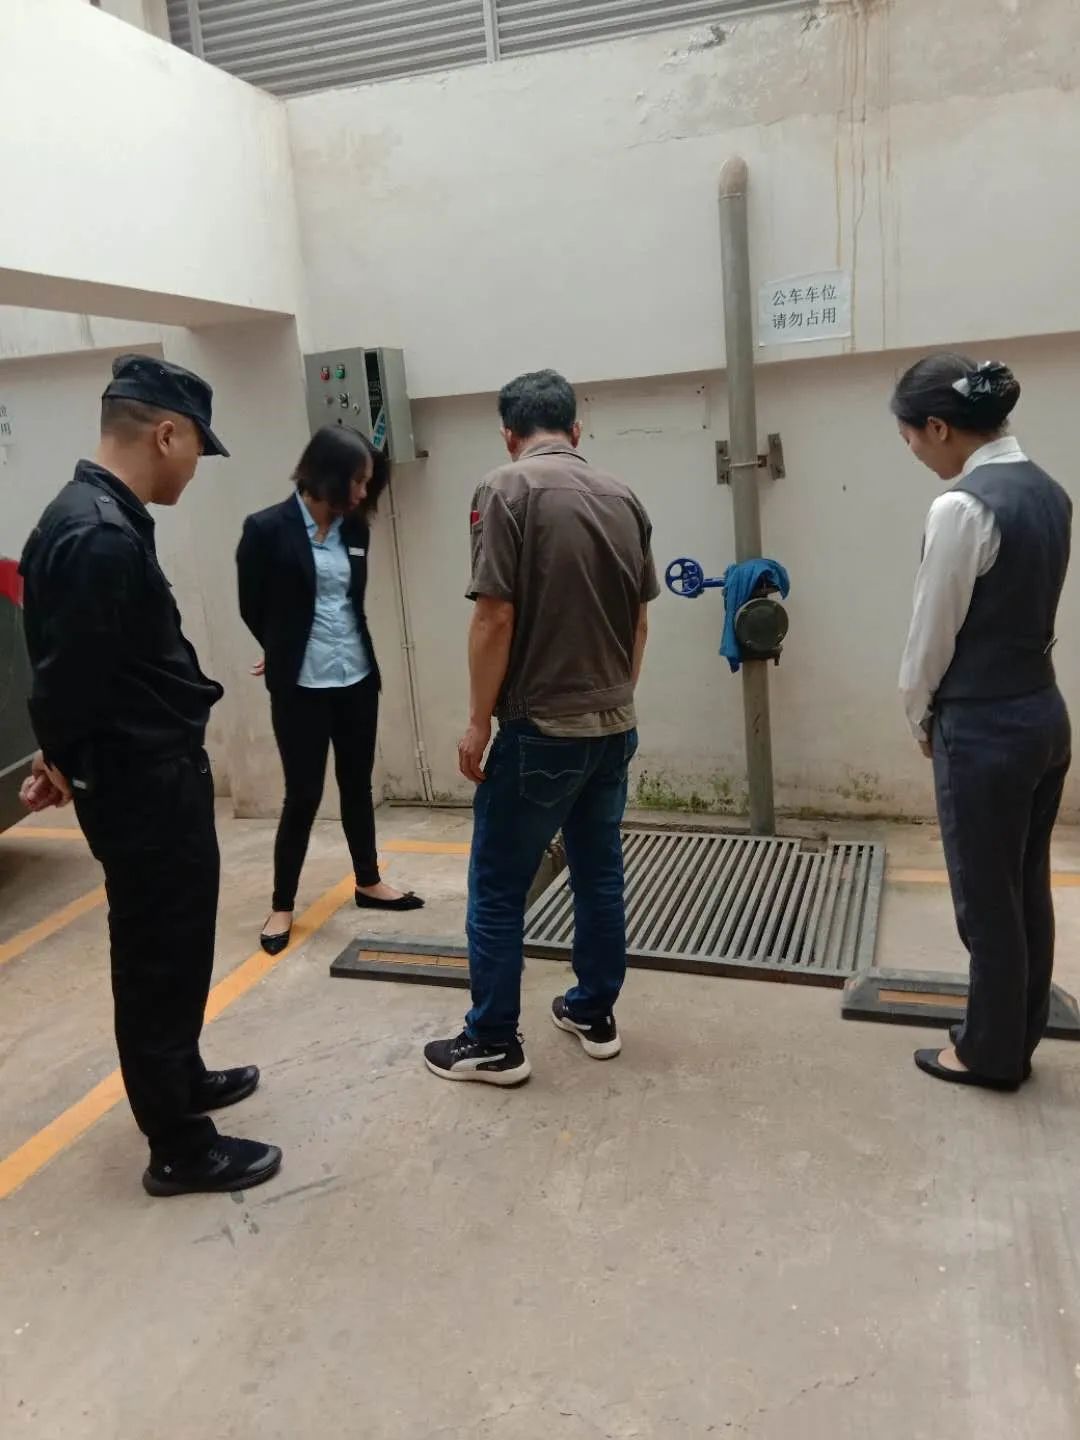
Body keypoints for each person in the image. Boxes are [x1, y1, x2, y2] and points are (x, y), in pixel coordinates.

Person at [19, 354, 282, 1196]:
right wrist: (63, 759)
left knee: (178, 938)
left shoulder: (94, 516)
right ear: (166, 434)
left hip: (148, 772)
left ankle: (182, 1076)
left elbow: (77, 663)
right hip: (140, 782)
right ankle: (178, 1144)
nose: (197, 466)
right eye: (198, 447)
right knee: (156, 951)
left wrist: (62, 755)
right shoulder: (99, 532)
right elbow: (68, 678)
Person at [424, 370, 659, 1085]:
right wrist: (612, 704)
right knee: (598, 874)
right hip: (612, 727)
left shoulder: (505, 489)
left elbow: (494, 616)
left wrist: (477, 722)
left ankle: (493, 1041)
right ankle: (593, 1012)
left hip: (540, 731)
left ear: (509, 434)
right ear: (576, 430)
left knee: (498, 886)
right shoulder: (624, 496)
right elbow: (640, 622)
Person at [895, 354, 1072, 1091]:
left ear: (940, 427)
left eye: (911, 436)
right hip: (1043, 713)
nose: (913, 450)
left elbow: (931, 635)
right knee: (1025, 887)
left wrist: (918, 714)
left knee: (984, 900)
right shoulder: (1050, 492)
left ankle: (990, 1053)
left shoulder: (962, 508)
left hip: (984, 728)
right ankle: (1016, 1032)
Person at [236, 425, 423, 955]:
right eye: (356, 481)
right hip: (301, 685)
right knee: (303, 795)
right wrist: (281, 646)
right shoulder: (265, 529)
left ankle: (369, 881)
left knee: (357, 784)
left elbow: (348, 603)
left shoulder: (354, 529)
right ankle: (282, 904)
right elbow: (252, 605)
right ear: (326, 476)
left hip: (356, 676)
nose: (363, 493)